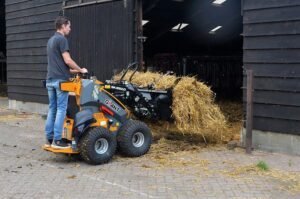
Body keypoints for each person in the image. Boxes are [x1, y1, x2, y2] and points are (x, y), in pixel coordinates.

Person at [45, 16, 88, 149]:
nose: (70, 29)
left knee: (52, 109)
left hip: (50, 80)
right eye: (69, 26)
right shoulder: (62, 39)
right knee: (61, 110)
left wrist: (77, 71)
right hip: (60, 82)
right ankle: (58, 141)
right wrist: (80, 69)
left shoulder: (51, 40)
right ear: (63, 26)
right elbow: (68, 61)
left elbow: (62, 67)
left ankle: (50, 138)